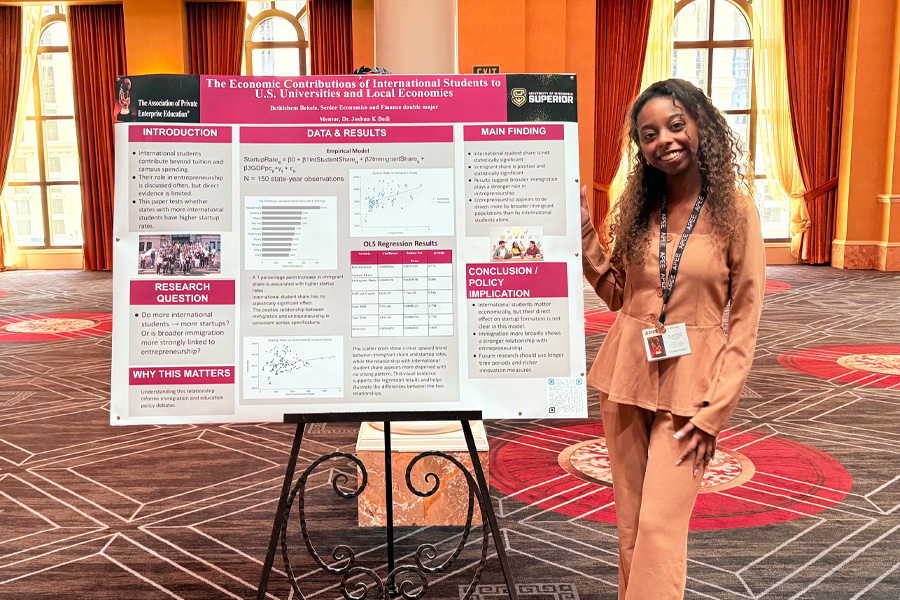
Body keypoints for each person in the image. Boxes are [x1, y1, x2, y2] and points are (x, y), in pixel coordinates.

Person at [580, 79, 765, 600]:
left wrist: (715, 414)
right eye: (649, 134)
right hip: (625, 377)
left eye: (675, 125)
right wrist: (580, 230)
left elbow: (746, 321)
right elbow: (620, 294)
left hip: (693, 390)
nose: (664, 139)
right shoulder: (640, 210)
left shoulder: (737, 213)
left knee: (661, 528)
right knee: (632, 528)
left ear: (700, 124)